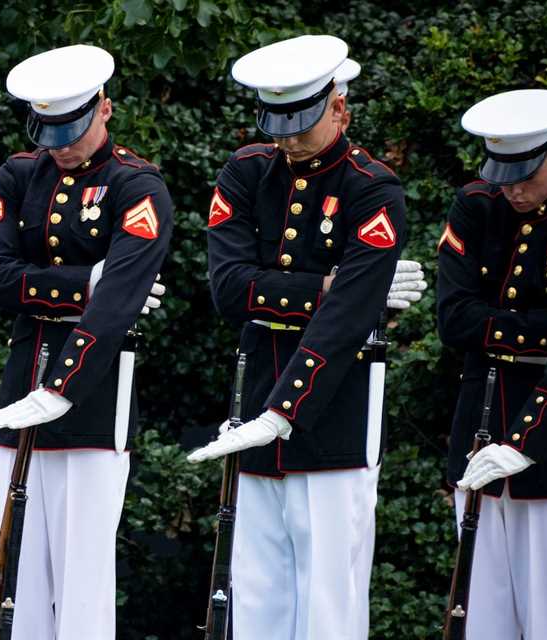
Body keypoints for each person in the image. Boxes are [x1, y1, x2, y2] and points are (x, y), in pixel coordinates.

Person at [189, 35, 409, 640]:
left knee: (328, 599)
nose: (286, 138)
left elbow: (348, 319)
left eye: (302, 123)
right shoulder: (246, 171)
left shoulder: (373, 187)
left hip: (334, 409)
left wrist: (286, 408)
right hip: (255, 388)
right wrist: (326, 288)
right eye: (277, 122)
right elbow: (228, 288)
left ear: (338, 108)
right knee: (257, 592)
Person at [0, 44, 173, 638]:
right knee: (19, 570)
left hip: (93, 397)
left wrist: (62, 382)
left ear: (105, 110)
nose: (60, 143)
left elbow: (116, 304)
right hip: (20, 386)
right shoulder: (16, 175)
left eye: (73, 127)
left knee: (83, 575)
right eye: (48, 130)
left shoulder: (137, 186)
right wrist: (81, 282)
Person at [439, 88, 547, 640]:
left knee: (544, 610)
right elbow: (453, 320)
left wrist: (523, 443)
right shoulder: (476, 206)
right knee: (478, 608)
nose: (510, 188)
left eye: (525, 174)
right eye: (501, 173)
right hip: (477, 415)